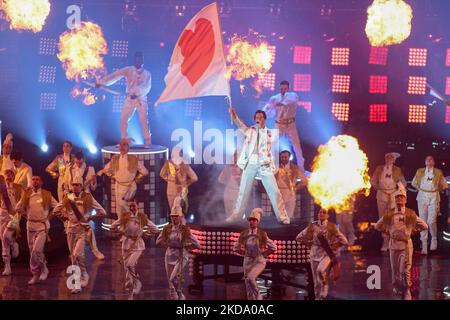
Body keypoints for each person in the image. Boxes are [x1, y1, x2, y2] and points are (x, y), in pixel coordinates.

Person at [227, 107, 290, 225]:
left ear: (265, 119)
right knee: (243, 190)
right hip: (251, 161)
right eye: (256, 118)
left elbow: (279, 130)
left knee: (274, 190)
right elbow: (240, 125)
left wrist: (279, 118)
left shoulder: (270, 133)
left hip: (264, 163)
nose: (258, 119)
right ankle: (237, 215)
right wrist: (234, 115)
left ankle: (282, 217)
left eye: (261, 117)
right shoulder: (250, 130)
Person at [53, 177, 106, 294]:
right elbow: (56, 210)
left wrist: (90, 217)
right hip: (70, 230)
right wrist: (65, 217)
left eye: (77, 185)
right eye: (73, 184)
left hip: (82, 230)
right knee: (74, 257)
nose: (75, 187)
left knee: (77, 255)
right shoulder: (68, 197)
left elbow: (102, 212)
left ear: (81, 186)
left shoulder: (88, 197)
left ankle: (77, 283)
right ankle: (83, 275)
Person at [375, 183, 428, 300]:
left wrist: (412, 231)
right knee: (395, 272)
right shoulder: (389, 213)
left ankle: (407, 290)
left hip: (405, 245)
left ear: (405, 199)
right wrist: (388, 231)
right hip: (393, 245)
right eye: (397, 197)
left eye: (401, 197)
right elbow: (378, 226)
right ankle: (398, 290)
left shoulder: (410, 213)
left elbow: (424, 226)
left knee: (405, 271)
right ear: (395, 199)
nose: (399, 199)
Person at [97, 51, 152, 146]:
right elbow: (115, 75)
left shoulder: (147, 74)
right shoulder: (128, 70)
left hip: (141, 99)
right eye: (137, 59)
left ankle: (147, 140)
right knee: (123, 119)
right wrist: (101, 82)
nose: (138, 61)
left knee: (143, 120)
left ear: (143, 60)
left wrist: (137, 93)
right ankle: (124, 140)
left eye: (140, 59)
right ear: (134, 60)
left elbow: (146, 86)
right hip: (129, 98)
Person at [296, 208, 348, 300]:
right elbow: (299, 237)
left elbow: (344, 241)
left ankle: (325, 285)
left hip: (326, 253)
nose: (322, 214)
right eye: (320, 212)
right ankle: (318, 298)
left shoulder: (332, 226)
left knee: (320, 270)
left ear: (328, 215)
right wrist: (309, 244)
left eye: (324, 212)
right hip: (314, 254)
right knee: (316, 283)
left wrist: (334, 246)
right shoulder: (312, 226)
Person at [110, 199, 159, 295]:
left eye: (134, 206)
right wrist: (121, 233)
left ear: (137, 206)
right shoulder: (125, 216)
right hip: (126, 244)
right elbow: (112, 227)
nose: (132, 208)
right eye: (130, 206)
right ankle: (129, 285)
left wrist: (145, 234)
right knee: (126, 267)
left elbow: (155, 229)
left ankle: (137, 283)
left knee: (130, 264)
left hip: (137, 245)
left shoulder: (142, 217)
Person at [16, 176, 58, 285]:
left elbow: (57, 207)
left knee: (37, 250)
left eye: (37, 179)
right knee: (32, 252)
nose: (35, 181)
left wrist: (49, 217)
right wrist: (26, 215)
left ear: (41, 182)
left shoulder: (47, 194)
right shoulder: (27, 194)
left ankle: (39, 271)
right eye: (33, 179)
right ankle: (39, 271)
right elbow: (18, 208)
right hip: (30, 225)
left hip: (42, 226)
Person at [63, 150, 103, 260]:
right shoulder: (69, 168)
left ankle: (95, 250)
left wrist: (94, 181)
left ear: (83, 159)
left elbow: (93, 187)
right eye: (77, 161)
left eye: (80, 162)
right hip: (72, 196)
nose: (79, 163)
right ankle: (73, 252)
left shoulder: (89, 169)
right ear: (74, 159)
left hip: (85, 197)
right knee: (71, 224)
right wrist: (66, 194)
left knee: (86, 225)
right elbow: (66, 184)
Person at [156, 206, 200, 300]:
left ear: (180, 217)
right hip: (169, 255)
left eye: (176, 216)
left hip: (181, 255)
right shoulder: (167, 229)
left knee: (173, 278)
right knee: (170, 281)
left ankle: (180, 294)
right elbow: (158, 241)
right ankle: (174, 297)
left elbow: (197, 244)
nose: (174, 218)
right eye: (172, 216)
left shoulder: (185, 230)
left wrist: (187, 248)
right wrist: (166, 243)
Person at [233, 208, 277, 300]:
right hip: (248, 261)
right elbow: (236, 248)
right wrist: (245, 253)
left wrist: (263, 255)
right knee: (248, 285)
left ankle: (258, 296)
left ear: (257, 222)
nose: (251, 222)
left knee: (250, 278)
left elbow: (273, 247)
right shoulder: (244, 234)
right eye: (250, 220)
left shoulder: (262, 234)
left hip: (259, 261)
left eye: (253, 220)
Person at [101, 138, 148, 219]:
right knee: (119, 209)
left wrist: (136, 179)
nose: (122, 147)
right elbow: (105, 169)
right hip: (118, 185)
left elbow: (145, 172)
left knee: (123, 203)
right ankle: (122, 227)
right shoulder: (115, 158)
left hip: (129, 186)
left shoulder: (133, 159)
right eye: (121, 144)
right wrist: (113, 176)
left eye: (124, 145)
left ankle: (132, 221)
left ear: (128, 147)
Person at [263, 80, 305, 170]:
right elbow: (267, 109)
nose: (283, 90)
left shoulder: (293, 95)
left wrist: (282, 103)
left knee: (296, 146)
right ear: (279, 88)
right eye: (282, 88)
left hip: (291, 125)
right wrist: (261, 116)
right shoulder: (274, 98)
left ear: (288, 88)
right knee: (271, 144)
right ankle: (269, 166)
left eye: (285, 89)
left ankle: (301, 168)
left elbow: (291, 101)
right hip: (279, 125)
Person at [411, 155, 448, 254]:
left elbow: (444, 185)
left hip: (434, 198)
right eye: (427, 159)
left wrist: (436, 190)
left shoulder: (438, 172)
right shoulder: (420, 171)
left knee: (431, 221)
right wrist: (422, 190)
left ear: (434, 162)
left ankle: (434, 239)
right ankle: (424, 246)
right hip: (422, 197)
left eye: (431, 159)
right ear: (425, 162)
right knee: (423, 222)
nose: (429, 160)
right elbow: (414, 183)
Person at [370, 152, 407, 251]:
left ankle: (393, 241)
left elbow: (403, 183)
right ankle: (385, 242)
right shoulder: (379, 168)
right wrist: (378, 188)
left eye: (390, 158)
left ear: (393, 159)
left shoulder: (397, 170)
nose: (388, 159)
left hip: (393, 195)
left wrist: (399, 189)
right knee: (383, 218)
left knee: (393, 218)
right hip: (382, 194)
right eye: (387, 157)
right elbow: (373, 180)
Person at [160, 146, 198, 213]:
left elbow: (162, 174)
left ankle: (178, 223)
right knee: (179, 212)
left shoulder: (171, 164)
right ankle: (180, 222)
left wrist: (170, 181)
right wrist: (185, 183)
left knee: (174, 212)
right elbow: (194, 178)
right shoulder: (183, 164)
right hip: (179, 190)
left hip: (174, 190)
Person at [0, 169, 23, 276]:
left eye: (11, 174)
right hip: (2, 215)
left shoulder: (19, 187)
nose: (9, 175)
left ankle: (14, 244)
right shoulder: (1, 187)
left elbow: (24, 201)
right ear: (4, 176)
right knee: (3, 241)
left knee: (6, 236)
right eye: (7, 174)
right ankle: (7, 266)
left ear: (14, 176)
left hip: (15, 216)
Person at [275, 150, 307, 219]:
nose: (283, 159)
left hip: (290, 195)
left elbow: (304, 180)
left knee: (289, 216)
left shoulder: (295, 168)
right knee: (279, 216)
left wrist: (296, 188)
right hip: (279, 194)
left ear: (289, 157)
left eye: (285, 157)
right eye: (282, 157)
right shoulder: (276, 168)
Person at [218, 151, 242, 219]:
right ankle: (230, 228)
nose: (234, 167)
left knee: (235, 215)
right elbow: (221, 180)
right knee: (228, 215)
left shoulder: (243, 167)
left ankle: (235, 227)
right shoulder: (228, 167)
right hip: (228, 192)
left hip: (238, 193)